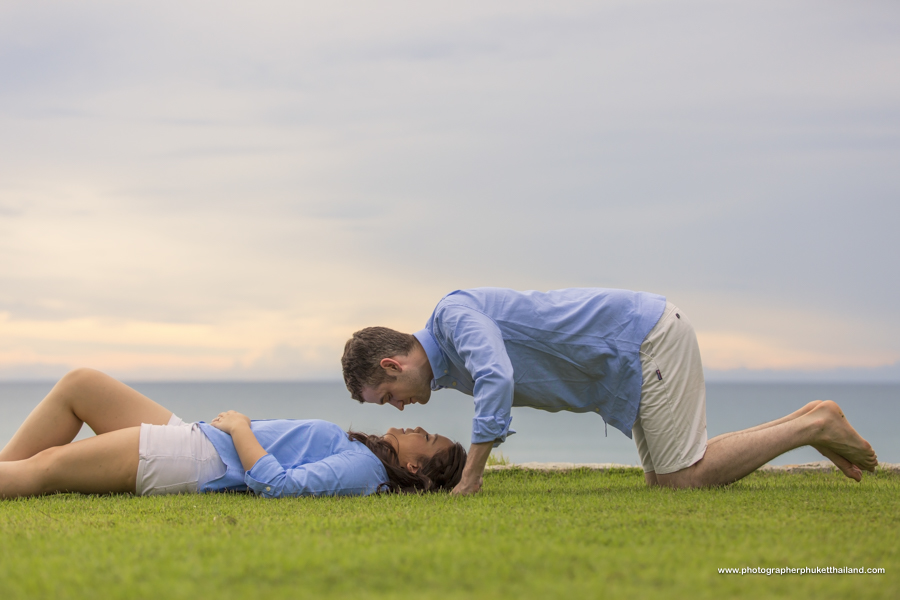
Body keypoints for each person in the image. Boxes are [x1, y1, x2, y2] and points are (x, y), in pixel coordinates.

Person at [341, 287, 878, 495]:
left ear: (393, 364)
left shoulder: (453, 316)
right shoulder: (449, 362)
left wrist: (472, 477)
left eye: (388, 395)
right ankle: (811, 416)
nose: (398, 408)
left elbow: (499, 377)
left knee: (678, 481)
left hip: (645, 343)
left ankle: (814, 425)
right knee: (663, 478)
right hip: (630, 362)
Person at [0, 368, 466, 499]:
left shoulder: (364, 470)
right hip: (197, 440)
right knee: (82, 384)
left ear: (412, 467)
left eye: (427, 439)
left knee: (46, 469)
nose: (419, 427)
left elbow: (279, 485)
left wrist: (241, 428)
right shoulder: (365, 454)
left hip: (194, 460)